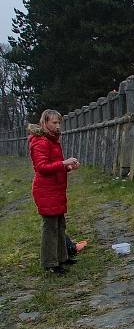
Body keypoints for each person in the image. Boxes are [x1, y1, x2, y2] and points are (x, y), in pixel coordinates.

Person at [28, 110, 80, 274]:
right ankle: (50, 263)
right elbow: (41, 168)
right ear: (45, 123)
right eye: (54, 123)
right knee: (50, 227)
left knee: (59, 224)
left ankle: (62, 258)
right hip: (45, 190)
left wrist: (67, 167)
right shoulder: (40, 142)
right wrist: (64, 162)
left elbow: (54, 165)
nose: (58, 126)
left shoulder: (52, 141)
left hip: (55, 189)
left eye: (59, 123)